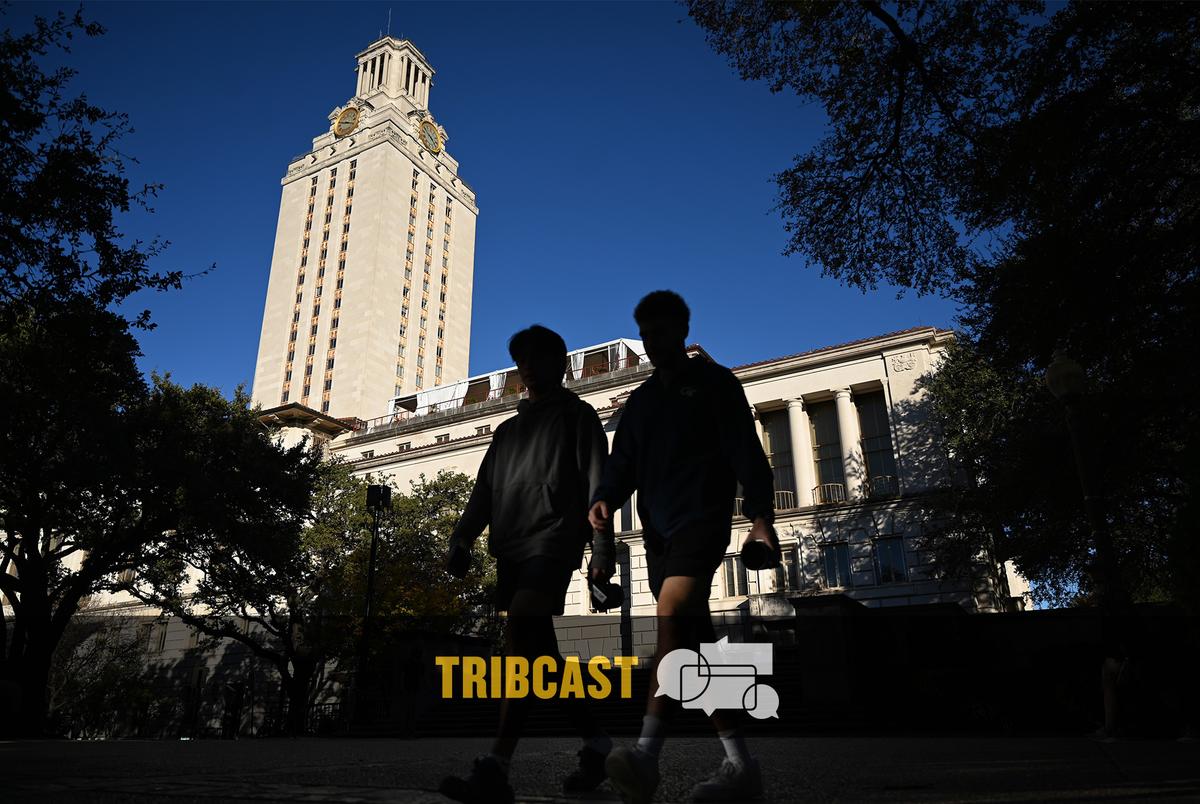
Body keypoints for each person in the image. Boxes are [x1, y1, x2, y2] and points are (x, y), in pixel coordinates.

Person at [589, 290, 777, 803]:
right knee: (698, 648)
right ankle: (741, 765)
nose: (653, 343)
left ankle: (646, 757)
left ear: (682, 331)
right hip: (658, 534)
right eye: (646, 335)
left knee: (671, 613)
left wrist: (761, 518)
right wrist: (604, 500)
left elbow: (746, 451)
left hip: (703, 520)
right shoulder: (642, 402)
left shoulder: (715, 383)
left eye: (662, 332)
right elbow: (620, 463)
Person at [439, 324, 617, 804]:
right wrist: (461, 539)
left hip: (553, 543)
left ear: (560, 364)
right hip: (511, 549)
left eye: (538, 357)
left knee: (520, 637)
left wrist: (603, 553)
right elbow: (483, 492)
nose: (528, 367)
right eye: (522, 359)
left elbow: (600, 488)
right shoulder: (507, 431)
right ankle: (597, 742)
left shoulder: (580, 418)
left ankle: (497, 764)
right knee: (541, 658)